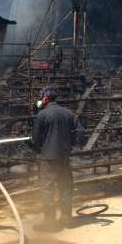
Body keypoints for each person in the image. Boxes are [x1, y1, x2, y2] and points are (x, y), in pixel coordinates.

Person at [31, 87, 85, 226]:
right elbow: (80, 131)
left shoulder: (42, 115)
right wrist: (71, 144)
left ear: (45, 98)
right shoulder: (68, 113)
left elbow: (36, 138)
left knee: (47, 187)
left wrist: (38, 149)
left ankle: (50, 221)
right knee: (65, 185)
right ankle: (67, 218)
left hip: (48, 157)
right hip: (64, 156)